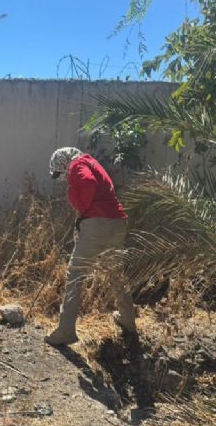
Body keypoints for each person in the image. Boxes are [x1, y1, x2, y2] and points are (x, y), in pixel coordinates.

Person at [44, 147, 136, 346]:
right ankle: (129, 321)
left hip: (97, 224)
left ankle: (66, 330)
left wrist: (81, 207)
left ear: (63, 162)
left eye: (61, 173)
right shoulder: (92, 162)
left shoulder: (78, 165)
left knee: (75, 275)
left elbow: (87, 184)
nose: (64, 178)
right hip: (116, 222)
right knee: (116, 274)